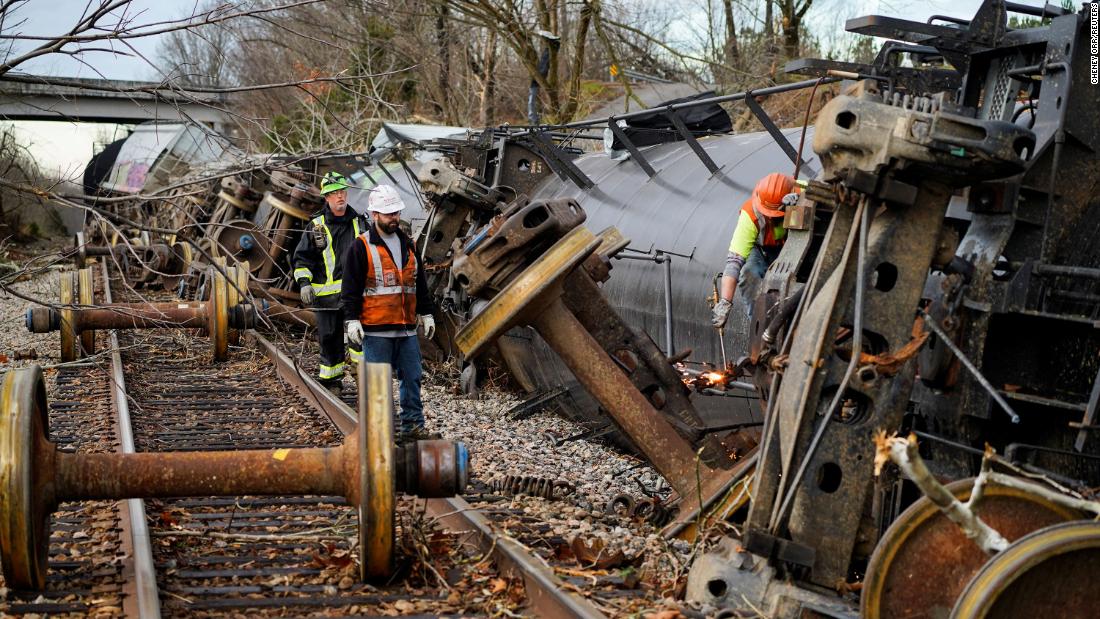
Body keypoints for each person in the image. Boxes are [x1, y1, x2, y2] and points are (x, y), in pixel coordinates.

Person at [340, 184, 436, 439]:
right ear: (375, 215)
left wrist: (426, 313)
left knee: (413, 378)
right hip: (376, 329)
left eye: (396, 212)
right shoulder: (361, 247)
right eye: (388, 213)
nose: (394, 218)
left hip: (406, 329)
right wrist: (351, 320)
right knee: (378, 386)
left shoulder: (409, 244)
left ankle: (412, 427)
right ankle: (379, 434)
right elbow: (350, 288)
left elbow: (419, 283)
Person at [291, 171, 368, 396]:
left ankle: (364, 379)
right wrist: (304, 283)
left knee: (360, 338)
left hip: (355, 295)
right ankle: (332, 382)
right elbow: (302, 258)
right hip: (326, 297)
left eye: (342, 192)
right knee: (329, 339)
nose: (340, 197)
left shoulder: (359, 222)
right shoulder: (316, 226)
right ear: (326, 198)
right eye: (334, 194)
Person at [712, 172, 801, 328]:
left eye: (775, 214)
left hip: (793, 245)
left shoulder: (802, 190)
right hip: (760, 249)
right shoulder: (751, 214)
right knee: (749, 272)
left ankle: (795, 323)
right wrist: (725, 303)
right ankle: (760, 326)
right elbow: (733, 262)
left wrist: (804, 204)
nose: (771, 217)